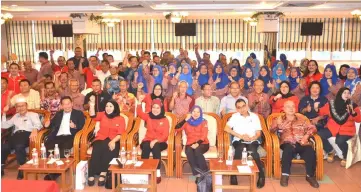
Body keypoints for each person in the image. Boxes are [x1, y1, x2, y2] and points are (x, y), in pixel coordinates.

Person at [270, 100, 319, 188]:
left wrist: (306, 136)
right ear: (284, 109)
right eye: (288, 106)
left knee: (310, 151)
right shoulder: (278, 119)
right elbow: (271, 130)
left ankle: (310, 176)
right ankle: (285, 175)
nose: (291, 108)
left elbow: (313, 128)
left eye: (293, 106)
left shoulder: (302, 119)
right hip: (287, 143)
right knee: (288, 149)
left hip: (301, 142)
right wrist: (277, 125)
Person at [224, 98, 265, 188]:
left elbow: (258, 132)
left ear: (247, 106)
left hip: (252, 139)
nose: (242, 109)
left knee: (252, 151)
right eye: (239, 107)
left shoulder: (254, 116)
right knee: (240, 149)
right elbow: (226, 128)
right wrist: (240, 136)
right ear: (236, 109)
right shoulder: (234, 116)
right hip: (239, 140)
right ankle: (233, 175)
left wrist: (253, 137)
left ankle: (261, 175)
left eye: (243, 106)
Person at [43, 96, 85, 180]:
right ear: (61, 105)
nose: (67, 106)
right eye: (64, 104)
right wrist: (47, 124)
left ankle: (56, 172)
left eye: (68, 104)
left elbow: (82, 127)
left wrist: (75, 126)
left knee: (62, 150)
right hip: (58, 136)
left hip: (71, 136)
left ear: (72, 104)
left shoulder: (78, 113)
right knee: (49, 148)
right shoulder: (59, 113)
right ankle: (52, 170)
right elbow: (52, 124)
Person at [316, 88, 361, 166]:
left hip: (347, 129)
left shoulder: (353, 105)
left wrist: (353, 113)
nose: (347, 95)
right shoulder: (332, 103)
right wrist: (317, 109)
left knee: (339, 141)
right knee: (319, 135)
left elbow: (358, 119)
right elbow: (322, 111)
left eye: (348, 93)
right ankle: (330, 151)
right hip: (332, 128)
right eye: (344, 93)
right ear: (340, 94)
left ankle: (346, 156)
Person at [1, 97, 42, 179]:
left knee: (19, 146)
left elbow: (38, 124)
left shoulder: (33, 115)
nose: (21, 108)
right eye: (18, 106)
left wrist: (35, 129)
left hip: (28, 134)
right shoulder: (15, 116)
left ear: (26, 106)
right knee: (4, 147)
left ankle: (22, 168)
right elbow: (4, 125)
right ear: (16, 108)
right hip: (16, 135)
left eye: (22, 106)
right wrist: (4, 113)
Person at [87, 100, 125, 187]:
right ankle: (91, 173)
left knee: (110, 148)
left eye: (110, 106)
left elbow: (121, 133)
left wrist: (113, 141)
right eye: (107, 106)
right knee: (97, 148)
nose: (108, 108)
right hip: (101, 137)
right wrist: (92, 105)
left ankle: (103, 172)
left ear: (115, 107)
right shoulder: (102, 115)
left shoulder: (121, 119)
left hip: (114, 139)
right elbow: (93, 115)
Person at [137, 96, 170, 184]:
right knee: (146, 146)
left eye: (157, 108)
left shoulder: (165, 119)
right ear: (151, 108)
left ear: (161, 108)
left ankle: (157, 173)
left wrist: (156, 140)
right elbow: (139, 113)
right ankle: (145, 171)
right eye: (154, 107)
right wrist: (139, 103)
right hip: (147, 140)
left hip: (161, 142)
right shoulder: (148, 116)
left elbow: (165, 135)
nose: (155, 109)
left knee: (156, 147)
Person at [175, 106, 209, 183]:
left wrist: (197, 143)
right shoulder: (187, 122)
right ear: (191, 112)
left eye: (198, 112)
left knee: (197, 151)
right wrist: (184, 120)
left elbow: (204, 135)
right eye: (194, 111)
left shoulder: (204, 122)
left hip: (203, 143)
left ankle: (205, 173)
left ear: (200, 113)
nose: (196, 113)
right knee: (189, 152)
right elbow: (176, 128)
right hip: (190, 143)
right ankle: (197, 174)